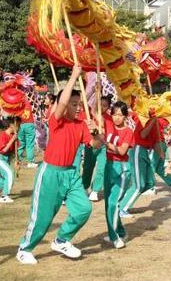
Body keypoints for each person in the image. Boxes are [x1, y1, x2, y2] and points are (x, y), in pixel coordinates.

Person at [17, 65, 103, 265]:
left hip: (71, 174)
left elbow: (96, 144)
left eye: (79, 104)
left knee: (84, 209)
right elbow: (62, 103)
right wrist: (73, 76)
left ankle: (62, 239)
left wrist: (97, 131)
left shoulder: (81, 124)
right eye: (74, 104)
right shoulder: (56, 120)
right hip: (50, 173)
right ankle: (25, 248)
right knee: (43, 217)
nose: (78, 107)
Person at [103, 101, 134, 249]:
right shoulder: (108, 125)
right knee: (108, 203)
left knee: (114, 203)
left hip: (122, 169)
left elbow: (122, 151)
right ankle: (119, 232)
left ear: (125, 116)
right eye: (114, 114)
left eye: (120, 115)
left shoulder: (128, 131)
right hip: (109, 166)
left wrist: (107, 143)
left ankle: (115, 236)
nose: (116, 118)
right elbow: (95, 111)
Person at [119, 108, 159, 217]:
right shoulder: (137, 116)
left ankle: (122, 201)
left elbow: (154, 139)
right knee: (138, 185)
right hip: (137, 149)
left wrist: (161, 154)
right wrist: (152, 121)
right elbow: (142, 135)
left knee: (150, 182)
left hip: (145, 151)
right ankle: (122, 208)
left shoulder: (152, 118)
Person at [82, 96, 112, 202]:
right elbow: (91, 109)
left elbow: (103, 129)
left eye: (105, 106)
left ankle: (95, 190)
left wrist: (95, 126)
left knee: (101, 168)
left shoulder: (108, 118)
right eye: (100, 105)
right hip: (91, 144)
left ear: (108, 107)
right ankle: (85, 187)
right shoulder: (90, 115)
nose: (102, 107)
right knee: (87, 167)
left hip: (103, 146)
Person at [18, 102, 38, 168]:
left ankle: (19, 160)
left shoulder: (17, 104)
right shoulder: (27, 103)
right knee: (30, 144)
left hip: (21, 125)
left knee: (21, 143)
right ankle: (30, 162)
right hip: (29, 124)